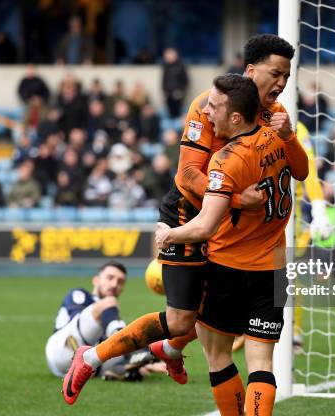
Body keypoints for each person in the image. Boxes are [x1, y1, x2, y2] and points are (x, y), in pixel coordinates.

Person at [60, 34, 302, 406]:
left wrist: (289, 140)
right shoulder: (208, 106)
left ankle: (170, 352)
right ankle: (93, 356)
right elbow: (188, 176)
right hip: (190, 213)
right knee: (182, 321)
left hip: (233, 234)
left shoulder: (275, 117)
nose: (283, 83)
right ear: (251, 71)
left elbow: (296, 169)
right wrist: (236, 200)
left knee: (203, 327)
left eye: (287, 74)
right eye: (276, 73)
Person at [153, 75, 308, 415]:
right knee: (261, 363)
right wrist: (290, 135)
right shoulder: (276, 136)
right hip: (275, 265)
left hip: (231, 266)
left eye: (213, 107)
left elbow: (206, 225)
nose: (206, 112)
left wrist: (170, 235)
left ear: (235, 117)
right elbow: (303, 170)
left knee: (218, 356)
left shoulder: (225, 160)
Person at [46, 261, 165, 381]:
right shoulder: (80, 295)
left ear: (122, 290)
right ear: (96, 280)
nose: (114, 284)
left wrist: (148, 363)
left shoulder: (110, 318)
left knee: (135, 348)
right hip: (62, 347)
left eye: (120, 282)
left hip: (84, 364)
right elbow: (79, 321)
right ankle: (128, 354)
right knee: (110, 307)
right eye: (110, 278)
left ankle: (122, 369)